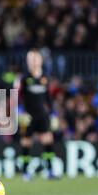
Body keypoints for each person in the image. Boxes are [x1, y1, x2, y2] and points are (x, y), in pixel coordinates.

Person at [16, 48, 58, 181]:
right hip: (28, 116)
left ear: (40, 60)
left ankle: (50, 170)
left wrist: (53, 113)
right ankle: (25, 172)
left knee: (48, 141)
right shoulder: (23, 78)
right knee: (26, 143)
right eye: (31, 59)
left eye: (35, 59)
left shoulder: (45, 77)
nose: (33, 62)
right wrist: (20, 112)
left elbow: (48, 98)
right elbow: (18, 97)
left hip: (43, 115)